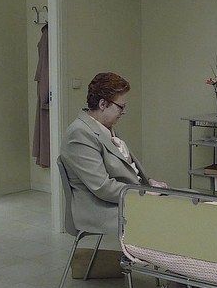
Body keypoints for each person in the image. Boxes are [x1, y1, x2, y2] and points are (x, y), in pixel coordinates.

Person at [60, 72, 167, 235]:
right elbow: (102, 186)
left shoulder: (105, 127)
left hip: (127, 196)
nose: (124, 112)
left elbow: (125, 169)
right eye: (121, 107)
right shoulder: (79, 134)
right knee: (171, 216)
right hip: (101, 209)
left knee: (191, 201)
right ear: (103, 104)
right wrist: (144, 193)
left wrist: (149, 183)